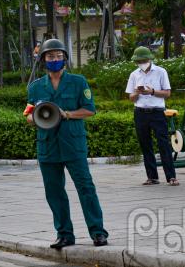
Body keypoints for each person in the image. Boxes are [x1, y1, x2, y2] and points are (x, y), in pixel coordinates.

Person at [26, 39, 108, 249]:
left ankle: (98, 232)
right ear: (43, 59)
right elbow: (27, 113)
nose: (55, 60)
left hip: (73, 144)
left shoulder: (78, 82)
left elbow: (90, 109)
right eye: (50, 56)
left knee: (86, 188)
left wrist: (68, 114)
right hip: (48, 146)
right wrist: (33, 117)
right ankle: (64, 234)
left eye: (58, 56)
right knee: (54, 192)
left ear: (64, 58)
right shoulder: (35, 87)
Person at [125, 46, 178, 186]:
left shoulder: (161, 72)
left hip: (157, 112)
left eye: (143, 60)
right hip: (140, 112)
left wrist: (152, 91)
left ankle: (171, 176)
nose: (141, 63)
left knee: (163, 144)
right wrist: (137, 92)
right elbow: (130, 97)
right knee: (145, 144)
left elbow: (167, 93)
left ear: (149, 59)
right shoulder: (134, 74)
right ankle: (152, 177)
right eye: (138, 61)